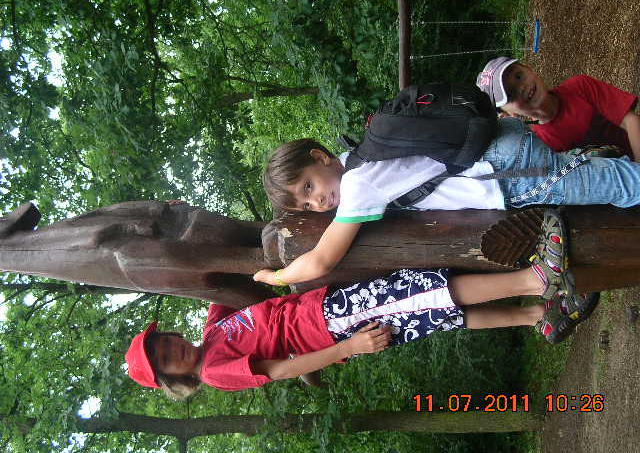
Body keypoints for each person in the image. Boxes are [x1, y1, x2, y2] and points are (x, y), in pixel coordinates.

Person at [126, 210, 599, 396]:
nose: (172, 349)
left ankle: (539, 317)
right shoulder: (214, 371)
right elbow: (281, 369)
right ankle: (537, 279)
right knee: (423, 291)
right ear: (173, 378)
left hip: (326, 311)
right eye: (166, 360)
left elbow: (208, 283)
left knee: (440, 314)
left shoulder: (212, 333)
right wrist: (348, 348)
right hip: (332, 324)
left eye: (164, 342)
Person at [253, 115, 640, 289]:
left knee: (618, 186)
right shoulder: (364, 156)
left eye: (308, 187)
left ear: (320, 157)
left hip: (504, 174)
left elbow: (322, 260)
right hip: (500, 145)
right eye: (307, 206)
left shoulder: (357, 185)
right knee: (591, 173)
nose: (319, 201)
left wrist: (277, 277)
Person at [476, 56, 640, 161]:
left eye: (518, 76)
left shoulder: (580, 87)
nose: (522, 87)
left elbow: (631, 121)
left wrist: (637, 175)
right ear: (507, 114)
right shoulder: (541, 145)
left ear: (529, 68)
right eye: (510, 94)